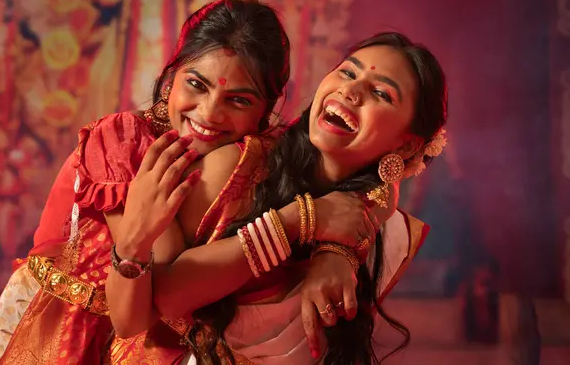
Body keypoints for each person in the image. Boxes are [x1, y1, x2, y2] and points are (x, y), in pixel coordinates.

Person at [0, 0, 384, 364]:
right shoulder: (121, 142)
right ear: (171, 76)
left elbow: (377, 179)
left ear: (266, 111)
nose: (209, 114)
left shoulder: (261, 154)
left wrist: (335, 252)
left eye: (238, 100)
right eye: (196, 84)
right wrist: (301, 220)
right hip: (54, 329)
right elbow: (147, 291)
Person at [107, 31, 448, 364]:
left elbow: (380, 196)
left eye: (380, 93)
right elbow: (166, 299)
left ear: (405, 145)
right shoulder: (240, 168)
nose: (350, 90)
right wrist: (301, 220)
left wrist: (338, 250)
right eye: (347, 71)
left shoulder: (379, 226)